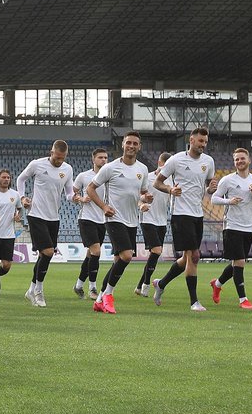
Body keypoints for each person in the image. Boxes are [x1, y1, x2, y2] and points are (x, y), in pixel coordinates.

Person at [86, 131, 152, 314]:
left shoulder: (142, 169)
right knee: (126, 256)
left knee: (118, 261)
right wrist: (103, 206)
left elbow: (142, 194)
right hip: (114, 217)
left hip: (132, 220)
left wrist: (147, 199)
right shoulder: (111, 167)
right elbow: (90, 189)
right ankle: (108, 295)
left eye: (135, 143)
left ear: (139, 147)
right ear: (123, 144)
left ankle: (99, 299)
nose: (131, 146)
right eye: (128, 142)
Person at [152, 127, 217, 312]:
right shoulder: (176, 160)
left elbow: (209, 188)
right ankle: (194, 302)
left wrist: (212, 188)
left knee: (187, 258)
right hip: (181, 214)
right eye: (200, 141)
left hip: (198, 214)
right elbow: (158, 182)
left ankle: (161, 283)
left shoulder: (208, 161)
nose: (203, 145)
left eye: (205, 142)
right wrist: (170, 190)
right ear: (191, 140)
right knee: (194, 256)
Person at [17, 140, 74, 307]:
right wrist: (22, 198)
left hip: (53, 217)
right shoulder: (37, 164)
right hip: (36, 215)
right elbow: (21, 179)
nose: (59, 161)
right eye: (57, 158)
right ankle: (39, 291)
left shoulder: (68, 169)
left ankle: (31, 289)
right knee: (48, 252)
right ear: (51, 152)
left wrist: (76, 198)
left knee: (44, 255)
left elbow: (69, 193)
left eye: (62, 158)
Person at [209, 148, 252, 310]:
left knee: (237, 262)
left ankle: (217, 284)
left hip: (248, 227)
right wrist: (229, 201)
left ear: (249, 160)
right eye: (237, 160)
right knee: (239, 262)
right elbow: (214, 198)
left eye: (242, 159)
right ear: (234, 163)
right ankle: (243, 300)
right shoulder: (227, 180)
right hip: (232, 226)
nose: (240, 161)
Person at [72, 148, 108, 300]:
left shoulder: (109, 176)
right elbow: (71, 193)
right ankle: (92, 288)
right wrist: (80, 199)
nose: (104, 160)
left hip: (102, 220)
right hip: (86, 219)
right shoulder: (84, 176)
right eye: (100, 157)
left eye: (106, 157)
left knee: (90, 255)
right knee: (97, 252)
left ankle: (79, 285)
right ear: (93, 159)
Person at [135, 152, 172, 297]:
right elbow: (136, 194)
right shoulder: (148, 178)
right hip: (147, 218)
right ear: (159, 162)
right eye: (166, 165)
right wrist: (141, 204)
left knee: (154, 254)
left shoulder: (170, 182)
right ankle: (146, 284)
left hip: (162, 221)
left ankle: (139, 286)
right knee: (157, 251)